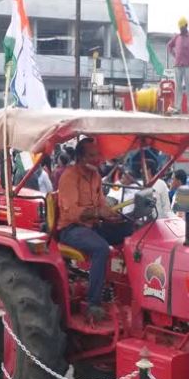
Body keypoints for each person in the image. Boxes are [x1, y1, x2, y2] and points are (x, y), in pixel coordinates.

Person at [57, 138, 130, 322]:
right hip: (71, 229)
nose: (97, 159)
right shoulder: (69, 177)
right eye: (92, 155)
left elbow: (102, 205)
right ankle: (93, 304)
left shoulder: (95, 175)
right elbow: (73, 213)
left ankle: (128, 292)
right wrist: (99, 212)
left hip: (93, 225)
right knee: (101, 249)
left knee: (131, 230)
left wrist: (112, 216)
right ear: (80, 157)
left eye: (98, 155)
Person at [166, 17, 189, 114]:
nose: (181, 29)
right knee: (178, 87)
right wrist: (174, 54)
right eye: (180, 28)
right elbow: (169, 46)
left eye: (182, 28)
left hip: (188, 66)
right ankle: (177, 107)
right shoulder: (177, 37)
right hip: (178, 65)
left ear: (186, 26)